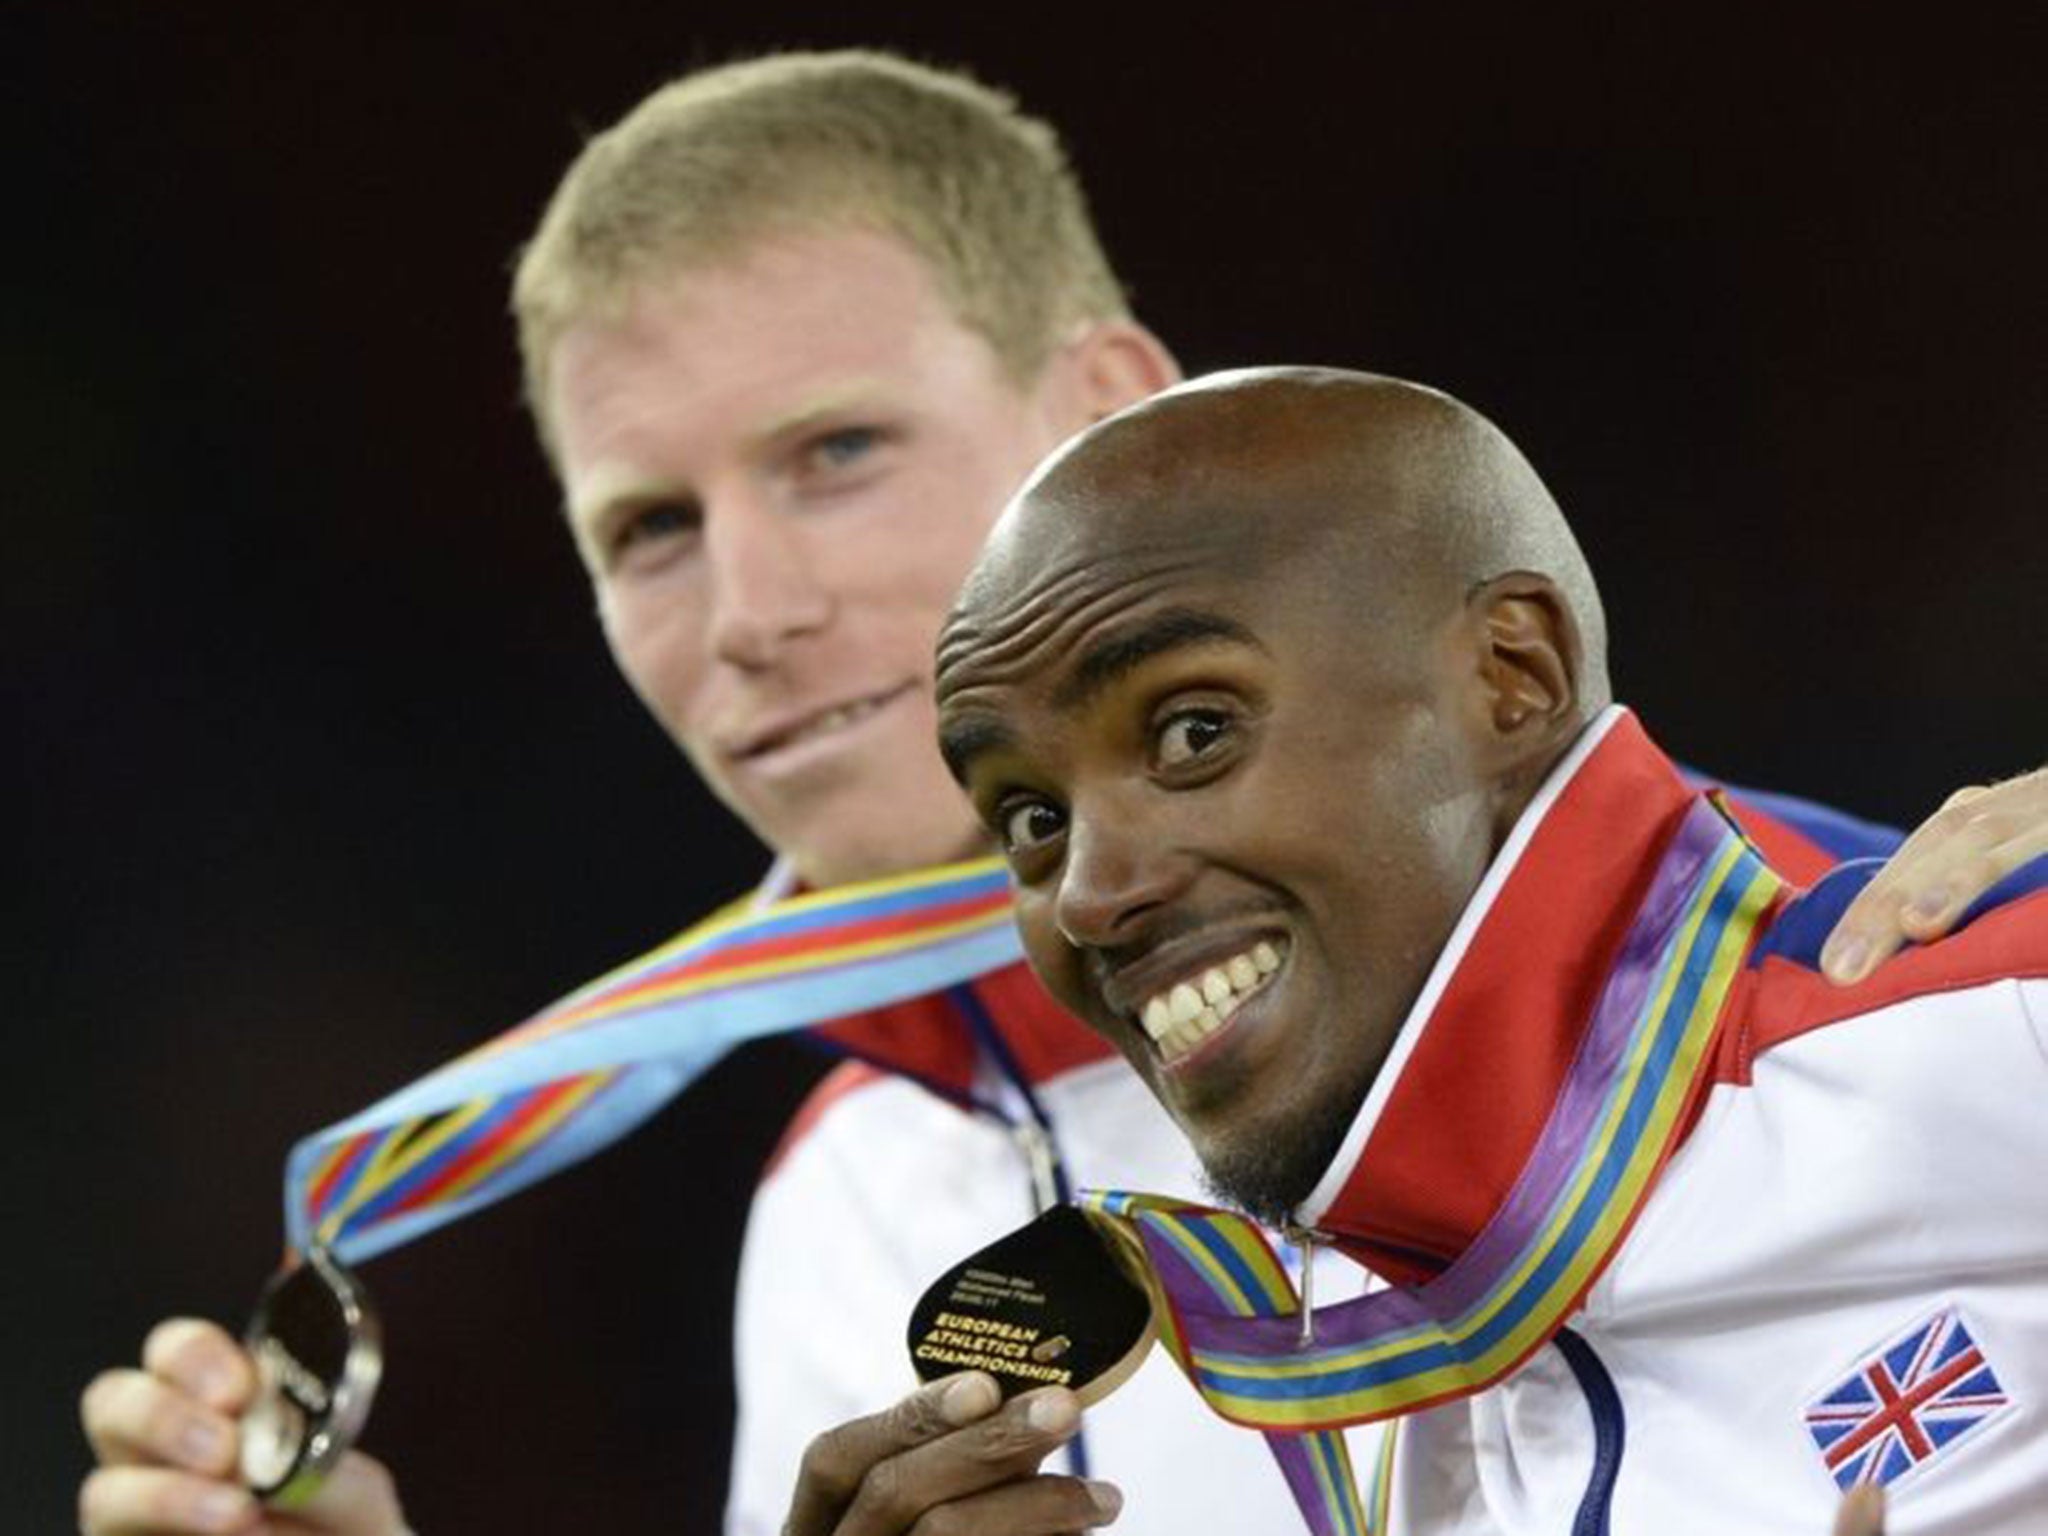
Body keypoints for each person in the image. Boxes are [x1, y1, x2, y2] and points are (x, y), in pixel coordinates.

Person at [74, 55, 2048, 1536]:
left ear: (1104, 407)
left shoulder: (1884, 997)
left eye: (835, 451)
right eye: (649, 528)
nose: (754, 609)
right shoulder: (852, 1205)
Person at [841, 365, 2044, 1534]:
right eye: (1032, 821)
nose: (1090, 897)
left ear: (1510, 678)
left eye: (1193, 730)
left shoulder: (1986, 1018)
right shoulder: (1382, 1380)